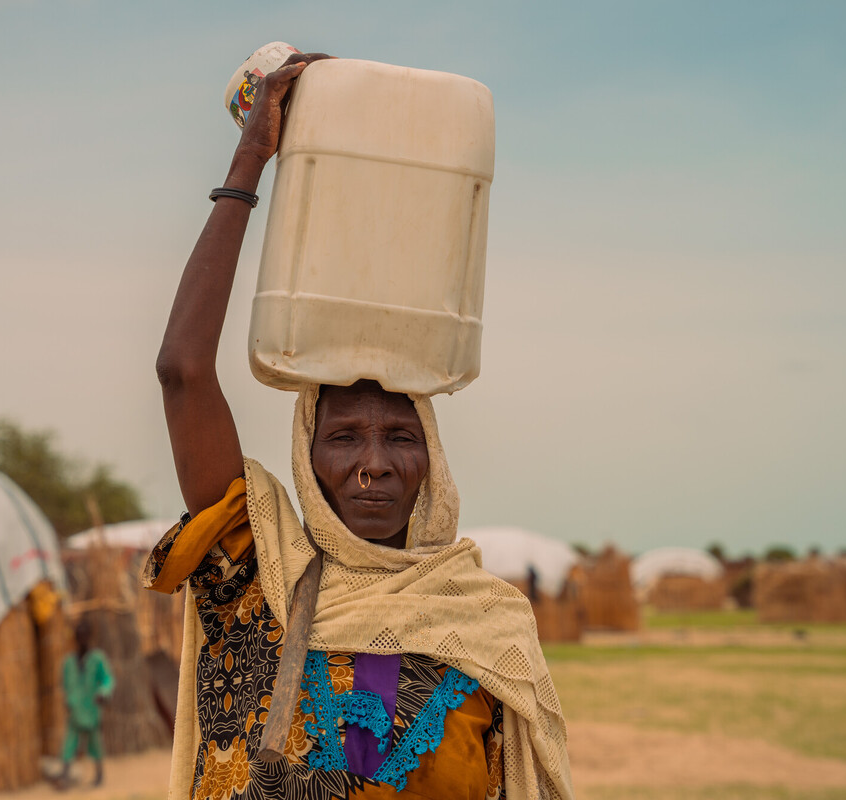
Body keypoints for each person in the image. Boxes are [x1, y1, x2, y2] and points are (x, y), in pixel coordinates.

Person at [146, 51, 573, 800]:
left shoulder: (489, 628)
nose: (373, 463)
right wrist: (251, 158)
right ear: (307, 456)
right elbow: (182, 371)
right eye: (343, 437)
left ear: (432, 461)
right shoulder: (256, 571)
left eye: (400, 437)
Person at [57, 619, 115, 788]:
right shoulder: (68, 662)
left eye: (84, 636)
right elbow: (66, 684)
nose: (82, 640)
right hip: (75, 710)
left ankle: (99, 775)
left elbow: (107, 679)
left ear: (89, 637)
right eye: (79, 637)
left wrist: (103, 693)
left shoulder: (97, 659)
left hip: (91, 709)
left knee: (95, 743)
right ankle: (65, 775)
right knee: (69, 743)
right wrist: (68, 700)